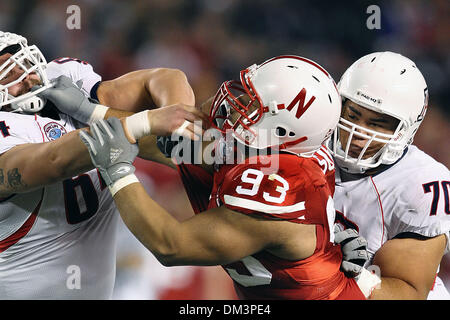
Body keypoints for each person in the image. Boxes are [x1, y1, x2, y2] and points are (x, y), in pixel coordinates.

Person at [78, 55, 380, 299]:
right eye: (247, 95)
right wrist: (85, 110)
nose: (236, 107)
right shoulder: (268, 150)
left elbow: (170, 245)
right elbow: (162, 142)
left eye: (253, 106)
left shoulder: (277, 186)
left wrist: (117, 171)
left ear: (282, 132)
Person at [0, 31, 204, 299]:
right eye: (6, 73)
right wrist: (144, 122)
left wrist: (177, 120)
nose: (24, 75)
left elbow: (165, 78)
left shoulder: (61, 79)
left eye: (21, 62)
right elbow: (55, 160)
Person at [328, 51, 450, 299]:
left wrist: (329, 266)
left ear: (406, 128)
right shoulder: (308, 147)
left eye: (377, 123)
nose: (358, 131)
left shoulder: (422, 184)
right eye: (352, 115)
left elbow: (407, 292)